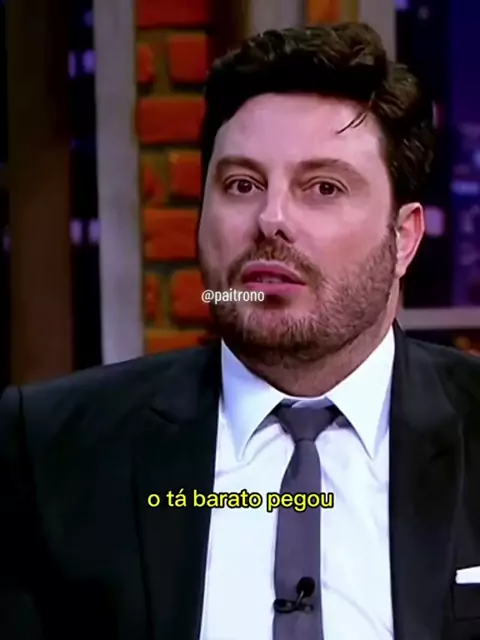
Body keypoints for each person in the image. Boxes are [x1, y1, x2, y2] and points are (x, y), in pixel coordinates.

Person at [1, 21, 480, 640]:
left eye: (324, 187)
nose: (271, 219)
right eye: (241, 185)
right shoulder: (52, 451)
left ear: (404, 238)